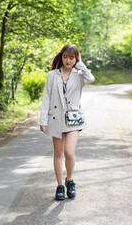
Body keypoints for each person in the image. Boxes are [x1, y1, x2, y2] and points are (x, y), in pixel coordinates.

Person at [39, 44, 95, 200]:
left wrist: (80, 63)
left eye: (72, 58)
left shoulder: (79, 75)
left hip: (73, 119)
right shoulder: (52, 75)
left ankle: (70, 180)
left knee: (69, 152)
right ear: (61, 57)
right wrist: (43, 120)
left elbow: (91, 78)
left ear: (76, 59)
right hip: (56, 118)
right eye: (65, 57)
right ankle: (59, 186)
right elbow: (46, 99)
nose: (68, 60)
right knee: (58, 153)